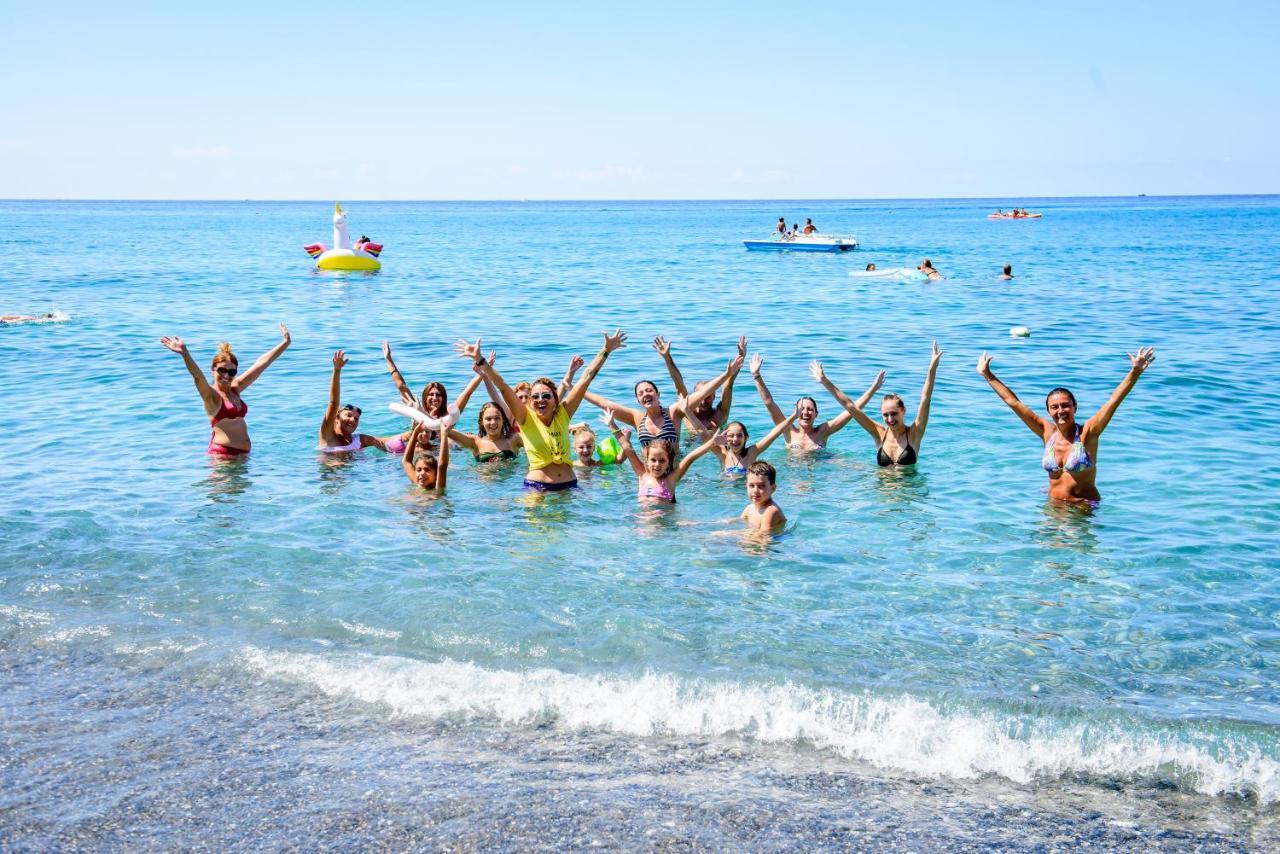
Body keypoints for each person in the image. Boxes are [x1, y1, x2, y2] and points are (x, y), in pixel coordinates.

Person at [977, 347, 1157, 503]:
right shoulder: (1047, 432)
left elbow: (1113, 401)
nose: (1061, 410)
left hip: (1083, 508)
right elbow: (1014, 403)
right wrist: (987, 374)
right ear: (1048, 411)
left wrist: (1135, 372)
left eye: (1065, 405)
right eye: (1054, 407)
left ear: (1075, 408)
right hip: (1053, 506)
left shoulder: (1089, 432)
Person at [454, 330, 627, 491]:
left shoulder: (563, 414)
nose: (540, 400)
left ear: (555, 400)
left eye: (546, 396)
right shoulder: (525, 418)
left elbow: (585, 379)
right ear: (529, 402)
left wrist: (606, 350)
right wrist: (480, 360)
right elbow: (503, 387)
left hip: (570, 487)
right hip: (537, 489)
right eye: (535, 397)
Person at [160, 324, 290, 456]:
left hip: (242, 457)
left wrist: (285, 343)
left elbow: (262, 363)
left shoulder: (235, 388)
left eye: (232, 372)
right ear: (213, 370)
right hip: (223, 458)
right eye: (222, 370)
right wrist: (185, 353)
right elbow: (197, 376)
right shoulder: (211, 396)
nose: (226, 375)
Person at [811, 341, 942, 467]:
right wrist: (824, 381)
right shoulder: (879, 433)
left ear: (903, 411)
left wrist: (932, 368)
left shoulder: (914, 433)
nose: (890, 419)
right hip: (881, 489)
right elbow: (850, 406)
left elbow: (925, 398)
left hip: (908, 489)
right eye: (885, 415)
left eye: (894, 414)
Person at [583, 355, 742, 451]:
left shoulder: (674, 412)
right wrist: (576, 389)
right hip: (648, 472)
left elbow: (703, 392)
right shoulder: (637, 418)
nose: (646, 394)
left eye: (649, 390)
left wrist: (726, 375)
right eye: (641, 393)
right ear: (638, 400)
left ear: (658, 394)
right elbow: (604, 402)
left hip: (673, 469)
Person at [748, 352, 878, 452]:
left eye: (810, 409)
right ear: (795, 412)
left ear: (816, 414)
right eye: (802, 409)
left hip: (818, 476)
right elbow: (769, 403)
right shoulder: (788, 430)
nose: (805, 412)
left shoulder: (823, 431)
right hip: (794, 475)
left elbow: (852, 410)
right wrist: (756, 376)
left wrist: (873, 389)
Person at [382, 340, 488, 451]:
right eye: (431, 395)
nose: (434, 398)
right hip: (419, 447)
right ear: (425, 397)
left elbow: (467, 392)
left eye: (438, 395)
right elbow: (401, 386)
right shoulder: (415, 409)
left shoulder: (449, 415)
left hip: (441, 448)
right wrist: (388, 359)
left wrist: (483, 369)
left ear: (443, 398)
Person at [605, 411, 718, 505]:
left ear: (669, 463)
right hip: (643, 528)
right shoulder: (642, 473)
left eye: (662, 461)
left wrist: (712, 442)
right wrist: (612, 425)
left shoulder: (671, 479)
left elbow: (690, 458)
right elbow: (627, 447)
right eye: (653, 460)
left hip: (666, 527)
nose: (657, 464)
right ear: (646, 460)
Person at [652, 335, 745, 434]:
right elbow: (679, 384)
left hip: (716, 448)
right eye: (701, 395)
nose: (703, 400)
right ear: (695, 395)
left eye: (708, 396)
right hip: (690, 447)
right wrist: (667, 357)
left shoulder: (721, 413)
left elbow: (728, 385)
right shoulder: (686, 410)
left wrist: (741, 356)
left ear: (714, 396)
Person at [319, 349, 389, 453]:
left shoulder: (358, 440)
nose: (353, 420)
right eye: (348, 415)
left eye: (356, 419)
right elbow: (333, 404)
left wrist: (413, 432)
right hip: (333, 468)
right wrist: (337, 370)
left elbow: (386, 441)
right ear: (336, 417)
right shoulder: (328, 436)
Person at [447, 401, 522, 463]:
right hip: (482, 480)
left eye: (497, 418)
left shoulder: (514, 439)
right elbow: (448, 430)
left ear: (503, 420)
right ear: (481, 422)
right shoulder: (475, 442)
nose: (493, 422)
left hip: (509, 480)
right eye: (488, 419)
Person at [401, 419, 450, 494]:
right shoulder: (417, 482)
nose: (422, 473)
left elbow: (442, 466)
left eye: (427, 470)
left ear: (436, 475)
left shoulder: (437, 489)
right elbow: (406, 462)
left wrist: (444, 435)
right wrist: (415, 433)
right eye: (419, 470)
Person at [740, 461, 786, 533]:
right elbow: (739, 521)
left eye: (761, 486)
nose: (755, 490)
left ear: (773, 488)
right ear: (746, 486)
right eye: (751, 486)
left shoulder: (771, 511)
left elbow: (763, 537)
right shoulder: (749, 508)